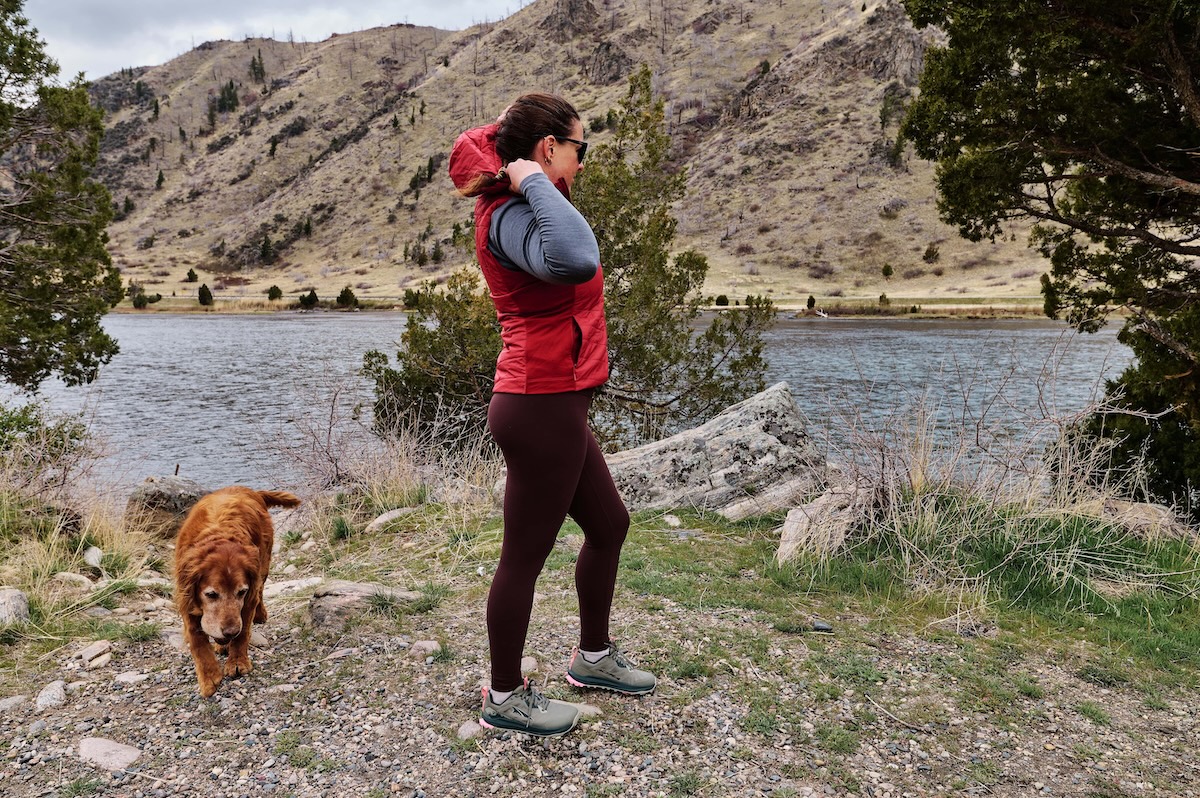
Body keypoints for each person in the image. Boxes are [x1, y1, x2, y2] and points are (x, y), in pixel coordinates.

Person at [448, 93, 656, 738]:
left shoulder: (526, 202)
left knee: (609, 524)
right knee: (523, 558)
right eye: (579, 148)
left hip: (558, 401)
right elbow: (576, 259)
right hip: (538, 404)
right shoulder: (511, 213)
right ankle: (505, 693)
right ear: (548, 150)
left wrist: (526, 165)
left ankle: (592, 657)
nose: (582, 162)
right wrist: (531, 176)